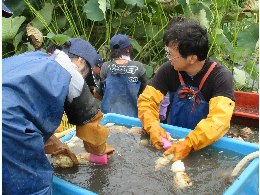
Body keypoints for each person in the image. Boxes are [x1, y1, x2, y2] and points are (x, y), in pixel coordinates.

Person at [3, 38, 115, 194]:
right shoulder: (69, 71)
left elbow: (27, 115)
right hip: (9, 127)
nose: (83, 80)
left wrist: (59, 147)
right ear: (81, 62)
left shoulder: (29, 59)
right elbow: (92, 128)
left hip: (9, 120)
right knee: (36, 188)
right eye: (85, 75)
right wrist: (103, 152)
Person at [137, 17, 235, 162]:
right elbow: (147, 100)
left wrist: (189, 143)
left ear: (191, 58)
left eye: (171, 54)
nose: (168, 57)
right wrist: (153, 126)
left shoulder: (220, 77)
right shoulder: (168, 70)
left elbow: (219, 121)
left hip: (206, 144)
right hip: (173, 137)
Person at [99, 34, 148, 117]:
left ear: (111, 51)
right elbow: (146, 91)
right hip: (133, 119)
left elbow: (101, 92)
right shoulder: (138, 66)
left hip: (110, 118)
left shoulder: (105, 67)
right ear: (128, 50)